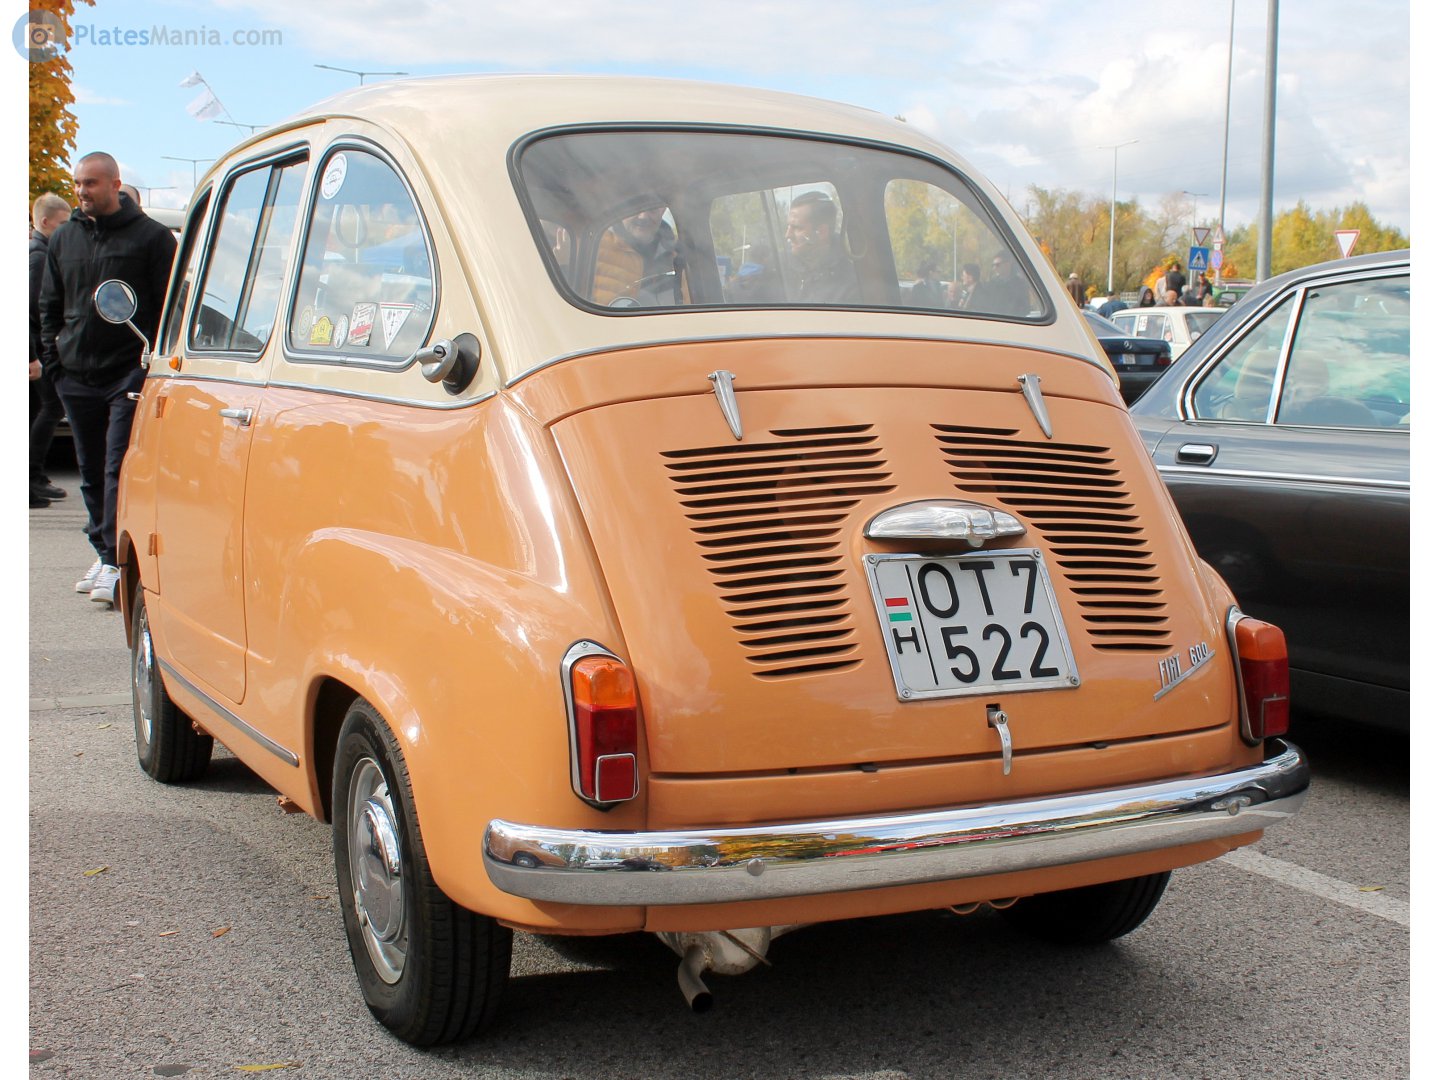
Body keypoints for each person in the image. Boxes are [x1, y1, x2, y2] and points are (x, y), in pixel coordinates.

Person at [38, 151, 177, 607]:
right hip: (76, 374)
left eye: (91, 183)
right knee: (91, 471)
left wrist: (146, 364)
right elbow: (49, 306)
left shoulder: (152, 239)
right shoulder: (64, 240)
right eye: (78, 183)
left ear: (115, 184)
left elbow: (168, 311)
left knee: (117, 467)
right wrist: (55, 364)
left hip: (126, 373)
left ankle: (118, 563)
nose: (82, 191)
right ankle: (104, 554)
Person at [30, 193, 71, 509]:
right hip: (37, 347)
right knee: (49, 408)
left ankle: (35, 477)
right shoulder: (38, 258)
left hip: (38, 346)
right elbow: (32, 310)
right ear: (45, 222)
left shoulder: (41, 253)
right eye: (62, 225)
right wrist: (33, 355)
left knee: (44, 409)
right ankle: (30, 477)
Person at [591, 202, 685, 307]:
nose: (643, 216)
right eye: (634, 207)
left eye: (652, 208)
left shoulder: (679, 257)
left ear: (663, 209)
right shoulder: (593, 247)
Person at [784, 190, 860, 303]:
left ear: (822, 232)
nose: (787, 235)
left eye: (797, 228)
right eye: (788, 226)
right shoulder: (778, 269)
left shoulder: (850, 285)